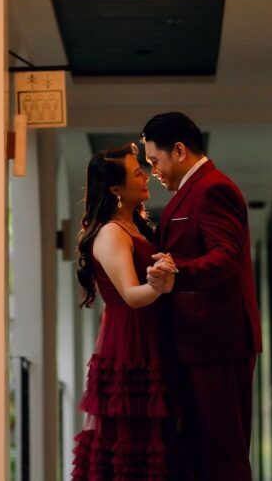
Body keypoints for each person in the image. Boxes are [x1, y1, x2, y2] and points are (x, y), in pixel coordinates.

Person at [142, 112, 262, 481]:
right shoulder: (190, 192)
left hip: (217, 342)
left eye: (155, 161)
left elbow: (226, 258)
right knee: (199, 455)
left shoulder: (213, 189)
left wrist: (176, 274)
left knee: (223, 454)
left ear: (179, 150)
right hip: (197, 344)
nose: (153, 171)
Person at [71, 143, 180, 481]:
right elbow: (132, 296)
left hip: (145, 335)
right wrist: (165, 282)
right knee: (132, 438)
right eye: (137, 173)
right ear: (116, 189)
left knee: (151, 438)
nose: (146, 176)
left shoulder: (133, 226)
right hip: (130, 342)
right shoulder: (110, 232)